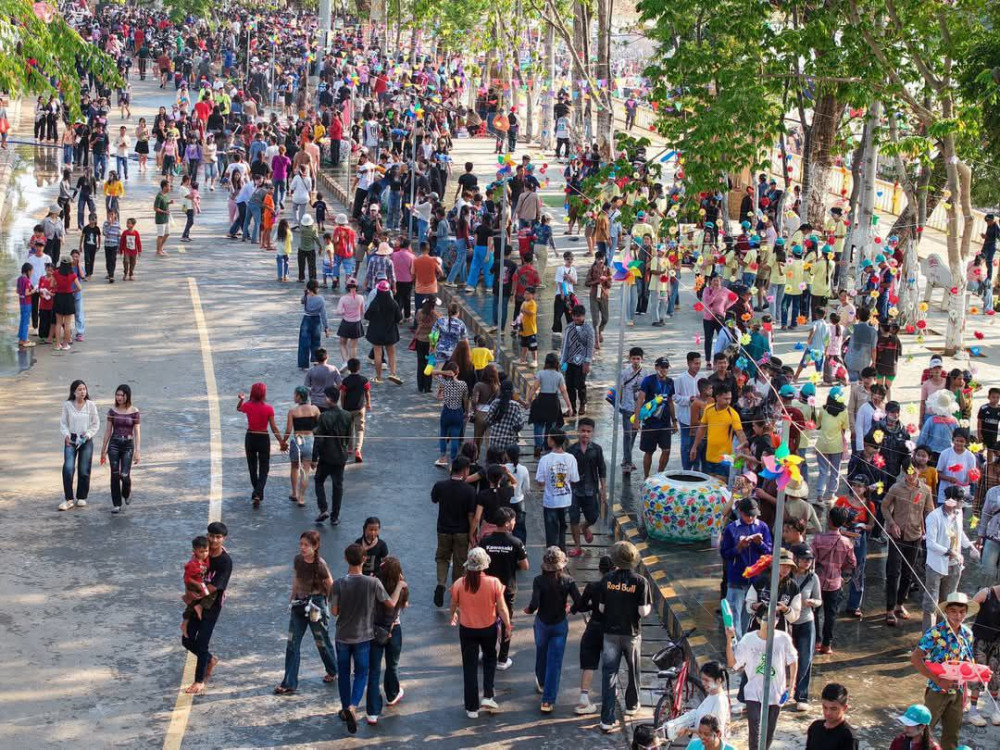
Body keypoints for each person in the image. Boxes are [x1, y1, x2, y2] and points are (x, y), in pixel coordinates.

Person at [331, 543, 407, 734]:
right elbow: (391, 604)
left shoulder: (338, 583)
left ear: (345, 559)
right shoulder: (372, 583)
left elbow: (334, 612)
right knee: (362, 674)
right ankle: (353, 707)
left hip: (342, 636)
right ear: (364, 559)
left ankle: (345, 707)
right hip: (363, 636)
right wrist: (399, 585)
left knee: (343, 674)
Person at [724, 603, 798, 750]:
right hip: (753, 692)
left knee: (769, 730)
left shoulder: (783, 638)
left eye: (774, 618)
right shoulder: (748, 640)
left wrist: (791, 687)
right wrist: (728, 639)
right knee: (755, 727)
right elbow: (733, 663)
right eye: (765, 619)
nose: (770, 622)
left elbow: (793, 660)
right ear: (758, 620)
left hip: (776, 692)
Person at [449, 547, 512, 719]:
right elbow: (502, 608)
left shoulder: (460, 583)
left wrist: (453, 614)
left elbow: (453, 603)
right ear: (485, 565)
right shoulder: (494, 583)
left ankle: (471, 707)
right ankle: (488, 696)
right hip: (488, 628)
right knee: (490, 659)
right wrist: (508, 625)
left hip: (467, 629)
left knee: (469, 667)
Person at [910, 592, 978, 750]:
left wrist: (972, 680)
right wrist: (938, 680)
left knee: (952, 734)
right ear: (946, 611)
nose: (958, 616)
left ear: (966, 613)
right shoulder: (935, 633)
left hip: (958, 691)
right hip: (937, 690)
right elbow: (915, 659)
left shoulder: (967, 634)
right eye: (953, 611)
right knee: (924, 730)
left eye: (962, 612)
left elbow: (967, 662)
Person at [598, 541, 653, 732]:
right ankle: (631, 704)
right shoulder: (640, 582)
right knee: (633, 670)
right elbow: (643, 611)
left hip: (610, 633)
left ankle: (607, 718)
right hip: (631, 633)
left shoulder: (607, 579)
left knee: (609, 675)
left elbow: (601, 608)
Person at [274, 531, 337, 695]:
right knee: (292, 643)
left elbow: (331, 585)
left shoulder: (320, 565)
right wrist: (292, 598)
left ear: (315, 546)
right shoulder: (298, 560)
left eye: (306, 545)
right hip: (299, 604)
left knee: (321, 640)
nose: (302, 548)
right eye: (301, 544)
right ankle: (289, 682)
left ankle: (333, 670)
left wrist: (332, 605)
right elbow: (296, 579)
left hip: (316, 605)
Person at [525, 546, 581, 713]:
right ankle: (548, 701)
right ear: (561, 565)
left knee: (541, 653)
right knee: (554, 662)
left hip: (542, 623)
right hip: (559, 624)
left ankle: (541, 682)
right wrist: (571, 609)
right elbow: (579, 601)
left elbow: (534, 604)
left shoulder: (538, 580)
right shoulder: (568, 581)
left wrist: (529, 610)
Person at [181, 521, 231, 694]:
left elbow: (214, 587)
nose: (214, 540)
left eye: (218, 537)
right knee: (186, 639)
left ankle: (199, 681)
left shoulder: (225, 561)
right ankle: (210, 659)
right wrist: (190, 595)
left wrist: (196, 595)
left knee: (202, 642)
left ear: (224, 539)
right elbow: (190, 573)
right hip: (196, 601)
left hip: (212, 604)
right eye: (211, 536)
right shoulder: (202, 552)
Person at [883, 465, 935, 627]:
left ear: (918, 472)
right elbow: (884, 506)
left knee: (908, 572)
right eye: (908, 473)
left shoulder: (925, 490)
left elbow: (930, 511)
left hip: (915, 535)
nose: (911, 477)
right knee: (893, 572)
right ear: (904, 473)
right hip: (897, 535)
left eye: (914, 474)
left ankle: (900, 604)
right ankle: (889, 609)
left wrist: (931, 530)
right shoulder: (896, 488)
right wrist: (891, 523)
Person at [923, 487, 980, 630]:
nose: (963, 504)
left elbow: (960, 533)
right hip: (936, 566)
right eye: (961, 501)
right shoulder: (934, 517)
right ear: (951, 500)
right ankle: (928, 637)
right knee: (931, 604)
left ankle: (943, 634)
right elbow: (930, 543)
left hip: (955, 566)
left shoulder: (959, 513)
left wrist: (971, 547)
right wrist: (950, 552)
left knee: (947, 603)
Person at [481, 506, 529, 669]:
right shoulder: (516, 542)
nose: (515, 523)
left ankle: (487, 653)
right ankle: (502, 658)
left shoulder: (485, 541)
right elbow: (525, 566)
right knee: (506, 622)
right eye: (514, 520)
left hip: (487, 588)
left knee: (487, 621)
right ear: (508, 523)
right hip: (507, 589)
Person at [720, 498, 773, 637]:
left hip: (755, 581)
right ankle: (735, 646)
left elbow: (769, 552)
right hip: (737, 579)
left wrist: (760, 544)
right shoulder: (731, 529)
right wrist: (739, 547)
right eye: (747, 515)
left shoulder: (762, 527)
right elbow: (725, 553)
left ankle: (742, 643)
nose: (750, 518)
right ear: (740, 512)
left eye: (753, 515)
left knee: (747, 617)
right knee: (733, 617)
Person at [366, 556, 409, 724]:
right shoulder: (402, 588)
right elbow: (403, 605)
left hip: (375, 631)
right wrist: (400, 585)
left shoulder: (374, 585)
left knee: (374, 670)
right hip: (394, 629)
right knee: (392, 665)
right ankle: (392, 694)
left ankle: (372, 712)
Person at [432, 456, 477, 607]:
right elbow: (471, 515)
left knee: (442, 558)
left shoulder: (440, 485)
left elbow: (434, 499)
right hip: (462, 532)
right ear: (465, 471)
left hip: (443, 529)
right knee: (459, 563)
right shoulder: (470, 491)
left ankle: (441, 583)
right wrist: (472, 534)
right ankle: (456, 592)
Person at [812, 506, 857, 654]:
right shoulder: (847, 542)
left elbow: (811, 559)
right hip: (835, 582)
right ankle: (827, 644)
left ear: (828, 520)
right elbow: (852, 563)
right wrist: (840, 570)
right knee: (830, 614)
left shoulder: (818, 539)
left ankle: (817, 640)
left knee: (814, 611)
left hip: (818, 581)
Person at [236, 384, 284, 508]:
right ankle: (258, 493)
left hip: (250, 436)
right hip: (263, 437)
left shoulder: (248, 405)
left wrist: (242, 399)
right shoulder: (268, 409)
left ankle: (257, 492)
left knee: (252, 466)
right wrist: (281, 441)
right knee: (264, 467)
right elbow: (274, 428)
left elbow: (239, 408)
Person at [313, 386, 353, 526]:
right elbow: (349, 436)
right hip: (340, 456)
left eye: (325, 397)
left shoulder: (324, 416)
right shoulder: (347, 415)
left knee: (319, 480)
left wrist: (314, 458)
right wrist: (347, 449)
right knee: (338, 486)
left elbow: (319, 439)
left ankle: (323, 508)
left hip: (326, 456)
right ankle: (335, 517)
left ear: (329, 398)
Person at [567, 418, 607, 557]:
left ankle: (584, 527)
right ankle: (577, 547)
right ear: (578, 431)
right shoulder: (571, 450)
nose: (585, 434)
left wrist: (603, 488)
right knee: (573, 517)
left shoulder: (596, 449)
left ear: (592, 433)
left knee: (593, 516)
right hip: (574, 489)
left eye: (588, 431)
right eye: (583, 431)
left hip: (591, 488)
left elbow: (602, 469)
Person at [99, 384, 141, 513]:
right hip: (114, 444)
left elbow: (137, 432)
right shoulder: (112, 411)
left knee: (124, 474)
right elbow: (108, 431)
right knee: (115, 474)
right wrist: (103, 450)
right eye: (117, 395)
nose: (119, 397)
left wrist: (138, 451)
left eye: (122, 395)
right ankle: (116, 504)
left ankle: (127, 492)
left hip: (128, 445)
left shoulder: (134, 411)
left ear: (127, 396)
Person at [59, 380, 100, 511]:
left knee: (84, 469)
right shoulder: (67, 405)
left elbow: (95, 424)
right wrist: (66, 435)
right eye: (79, 389)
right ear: (74, 392)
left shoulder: (90, 405)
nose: (82, 392)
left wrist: (87, 435)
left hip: (85, 439)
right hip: (71, 439)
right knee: (68, 467)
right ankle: (69, 499)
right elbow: (63, 423)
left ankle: (81, 496)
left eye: (84, 389)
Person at [634, 356, 678, 478]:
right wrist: (637, 419)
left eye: (666, 367)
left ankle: (659, 475)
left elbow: (670, 402)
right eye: (662, 367)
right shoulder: (648, 380)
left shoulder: (670, 382)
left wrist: (674, 421)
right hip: (650, 422)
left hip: (665, 422)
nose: (664, 370)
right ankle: (646, 477)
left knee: (666, 450)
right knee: (649, 451)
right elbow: (640, 400)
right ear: (656, 367)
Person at [536, 428, 580, 551]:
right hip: (566, 501)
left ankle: (552, 555)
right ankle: (562, 553)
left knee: (551, 532)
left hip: (550, 502)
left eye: (548, 437)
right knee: (562, 529)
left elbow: (540, 482)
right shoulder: (570, 458)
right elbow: (574, 479)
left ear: (552, 441)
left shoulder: (545, 459)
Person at [282, 387, 321, 507]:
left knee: (294, 467)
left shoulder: (293, 411)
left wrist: (283, 442)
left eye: (295, 394)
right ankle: (302, 498)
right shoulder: (315, 409)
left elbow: (288, 430)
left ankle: (294, 493)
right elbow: (320, 426)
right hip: (310, 440)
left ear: (299, 396)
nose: (294, 396)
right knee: (305, 470)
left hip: (297, 440)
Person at [968, 582, 1000, 726]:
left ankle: (995, 710)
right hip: (980, 641)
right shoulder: (986, 594)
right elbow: (967, 610)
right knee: (977, 674)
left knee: (995, 676)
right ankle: (973, 711)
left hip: (997, 643)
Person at [364, 280, 403, 385]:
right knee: (392, 354)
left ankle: (379, 377)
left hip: (376, 333)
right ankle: (393, 374)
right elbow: (399, 318)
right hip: (390, 332)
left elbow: (367, 316)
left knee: (378, 355)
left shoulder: (375, 303)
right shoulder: (393, 303)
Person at [561, 305, 596, 414]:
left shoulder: (589, 329)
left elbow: (590, 347)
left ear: (583, 316)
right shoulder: (569, 328)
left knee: (580, 384)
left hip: (582, 362)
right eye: (574, 316)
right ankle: (572, 407)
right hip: (570, 361)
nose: (576, 318)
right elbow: (565, 345)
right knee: (569, 385)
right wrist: (563, 361)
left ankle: (582, 404)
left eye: (579, 316)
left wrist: (587, 362)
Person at [804, 683, 859, 750]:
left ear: (844, 708)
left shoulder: (848, 737)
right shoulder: (815, 727)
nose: (828, 713)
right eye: (825, 707)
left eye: (833, 709)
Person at [180, 536, 216, 638]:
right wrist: (197, 585)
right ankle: (199, 606)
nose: (204, 554)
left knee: (192, 604)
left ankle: (184, 623)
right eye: (201, 552)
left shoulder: (206, 559)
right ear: (194, 551)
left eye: (206, 551)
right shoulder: (192, 564)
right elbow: (187, 578)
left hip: (200, 583)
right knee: (209, 593)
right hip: (194, 585)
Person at [340, 358, 371, 463]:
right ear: (359, 367)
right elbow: (367, 392)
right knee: (360, 429)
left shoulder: (345, 381)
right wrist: (368, 403)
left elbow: (343, 394)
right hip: (360, 408)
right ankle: (358, 449)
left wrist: (342, 406)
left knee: (349, 429)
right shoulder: (364, 380)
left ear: (348, 368)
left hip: (348, 409)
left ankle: (349, 448)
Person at [298, 280, 329, 371]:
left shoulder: (306, 297)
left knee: (304, 342)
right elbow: (323, 314)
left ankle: (303, 363)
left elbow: (302, 301)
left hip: (306, 319)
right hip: (316, 320)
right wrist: (326, 327)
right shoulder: (320, 299)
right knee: (316, 342)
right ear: (316, 288)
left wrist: (305, 292)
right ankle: (316, 360)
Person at [153, 180, 172, 256]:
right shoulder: (159, 196)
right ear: (164, 187)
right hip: (160, 219)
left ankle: (160, 248)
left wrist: (169, 202)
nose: (169, 188)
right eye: (168, 186)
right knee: (160, 235)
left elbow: (164, 203)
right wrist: (164, 212)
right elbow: (155, 208)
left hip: (166, 218)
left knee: (167, 233)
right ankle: (158, 250)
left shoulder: (165, 195)